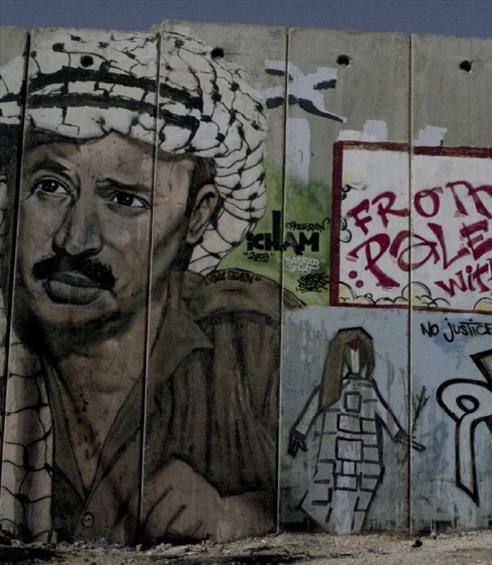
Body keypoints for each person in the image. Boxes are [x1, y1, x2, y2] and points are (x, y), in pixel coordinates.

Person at [0, 30, 298, 544]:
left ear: (198, 216)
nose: (75, 239)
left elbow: (388, 494)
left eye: (125, 200)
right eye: (50, 187)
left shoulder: (260, 347)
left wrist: (237, 517)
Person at [288, 328, 411, 534]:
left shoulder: (366, 388)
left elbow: (382, 412)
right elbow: (315, 406)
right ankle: (340, 526)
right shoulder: (334, 388)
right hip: (339, 445)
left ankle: (346, 526)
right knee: (337, 484)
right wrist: (299, 431)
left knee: (363, 479)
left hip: (364, 448)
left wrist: (398, 433)